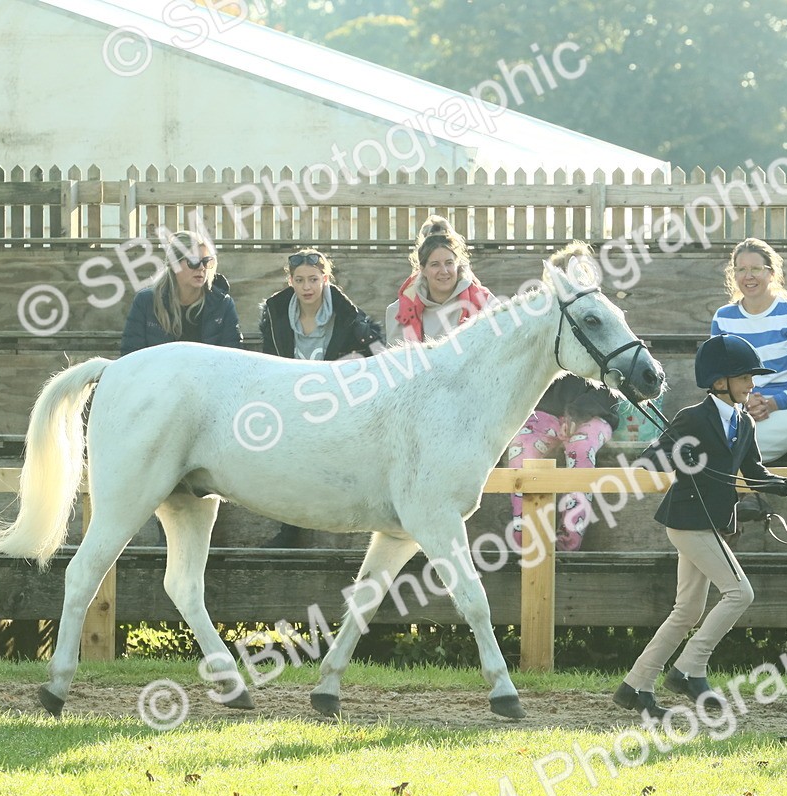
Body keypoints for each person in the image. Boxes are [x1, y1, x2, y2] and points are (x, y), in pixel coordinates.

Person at [613, 334, 787, 718]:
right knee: (739, 593)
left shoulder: (744, 423)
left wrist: (782, 485)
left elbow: (753, 471)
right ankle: (689, 669)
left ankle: (635, 686)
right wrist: (674, 454)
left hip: (711, 523)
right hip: (687, 521)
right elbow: (653, 461)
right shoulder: (691, 418)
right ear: (720, 382)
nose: (751, 384)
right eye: (744, 378)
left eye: (751, 378)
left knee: (686, 611)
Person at [258, 248, 385, 547]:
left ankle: (345, 524)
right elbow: (268, 360)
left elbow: (376, 353)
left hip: (334, 404)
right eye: (300, 280)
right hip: (290, 401)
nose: (307, 287)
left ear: (325, 279)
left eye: (314, 279)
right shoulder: (276, 314)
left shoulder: (347, 314)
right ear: (290, 281)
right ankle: (289, 527)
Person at [507, 242, 620, 552]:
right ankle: (526, 534)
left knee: (582, 449)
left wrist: (578, 413)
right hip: (544, 413)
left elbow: (613, 385)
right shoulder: (543, 327)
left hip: (591, 414)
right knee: (522, 448)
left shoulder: (604, 322)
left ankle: (570, 537)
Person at [711, 238, 787, 462]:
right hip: (740, 409)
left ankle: (744, 494)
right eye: (741, 269)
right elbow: (717, 378)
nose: (748, 276)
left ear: (771, 273)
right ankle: (748, 495)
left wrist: (772, 404)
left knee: (731, 445)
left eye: (756, 269)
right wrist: (745, 401)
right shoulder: (723, 318)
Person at [120, 233, 242, 355]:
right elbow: (131, 354)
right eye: (193, 261)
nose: (201, 268)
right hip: (159, 373)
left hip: (207, 373)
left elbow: (232, 358)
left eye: (206, 262)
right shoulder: (146, 302)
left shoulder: (222, 304)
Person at [384, 215, 495, 344]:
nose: (444, 271)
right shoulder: (399, 311)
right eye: (435, 264)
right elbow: (397, 361)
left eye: (449, 263)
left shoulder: (485, 302)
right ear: (423, 269)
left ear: (457, 265)